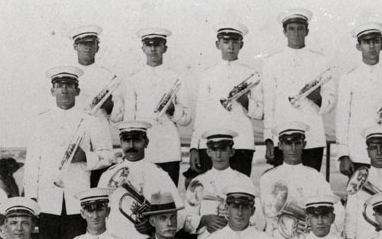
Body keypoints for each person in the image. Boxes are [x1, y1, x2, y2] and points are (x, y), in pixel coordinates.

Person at [24, 66, 116, 239]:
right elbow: (32, 164)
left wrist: (86, 157)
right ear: (52, 91)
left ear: (77, 90)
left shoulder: (91, 121)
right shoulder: (40, 121)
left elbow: (109, 157)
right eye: (59, 86)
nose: (64, 90)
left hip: (78, 202)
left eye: (69, 85)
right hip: (47, 202)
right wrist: (32, 201)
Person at [115, 28, 192, 186]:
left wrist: (172, 110)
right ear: (143, 48)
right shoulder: (134, 79)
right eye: (148, 45)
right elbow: (129, 120)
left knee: (168, 199)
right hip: (142, 151)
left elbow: (186, 119)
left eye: (157, 45)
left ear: (165, 48)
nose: (152, 49)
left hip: (169, 148)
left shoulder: (176, 78)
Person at [261, 9, 335, 171]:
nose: (296, 33)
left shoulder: (320, 61)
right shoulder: (271, 62)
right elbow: (269, 104)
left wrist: (316, 98)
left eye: (300, 29)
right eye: (292, 29)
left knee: (310, 187)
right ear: (284, 32)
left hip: (312, 137)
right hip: (282, 137)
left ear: (307, 31)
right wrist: (269, 139)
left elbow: (330, 103)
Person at [189, 23, 263, 177]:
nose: (231, 46)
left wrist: (244, 101)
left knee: (239, 191)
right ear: (218, 44)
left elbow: (260, 113)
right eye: (226, 42)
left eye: (235, 42)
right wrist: (194, 148)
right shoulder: (207, 75)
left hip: (242, 143)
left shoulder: (252, 74)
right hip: (211, 143)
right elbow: (201, 114)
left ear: (241, 45)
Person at [335, 22, 382, 176]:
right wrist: (343, 154)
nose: (372, 46)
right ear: (359, 46)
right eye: (367, 42)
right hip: (358, 152)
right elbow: (342, 119)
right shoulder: (348, 78)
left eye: (375, 41)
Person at [259, 122, 344, 239]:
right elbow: (264, 216)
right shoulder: (268, 178)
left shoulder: (315, 176)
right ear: (280, 145)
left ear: (304, 144)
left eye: (297, 143)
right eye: (288, 143)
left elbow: (337, 208)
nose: (293, 148)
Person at [97, 121, 184, 239]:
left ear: (146, 142)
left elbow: (180, 214)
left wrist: (156, 226)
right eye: (126, 140)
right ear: (121, 142)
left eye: (137, 140)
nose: (131, 145)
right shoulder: (108, 176)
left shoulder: (159, 175)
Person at [183, 129, 264, 239]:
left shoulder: (244, 181)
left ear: (231, 151)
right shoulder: (198, 182)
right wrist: (204, 220)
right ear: (208, 152)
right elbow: (185, 221)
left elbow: (260, 220)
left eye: (223, 149)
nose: (218, 155)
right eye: (214, 149)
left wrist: (237, 224)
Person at [69, 25, 123, 187]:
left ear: (97, 47)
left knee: (100, 185)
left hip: (100, 138)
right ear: (75, 46)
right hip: (76, 137)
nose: (87, 47)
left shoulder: (108, 76)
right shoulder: (68, 75)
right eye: (83, 43)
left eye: (91, 43)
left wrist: (109, 104)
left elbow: (119, 116)